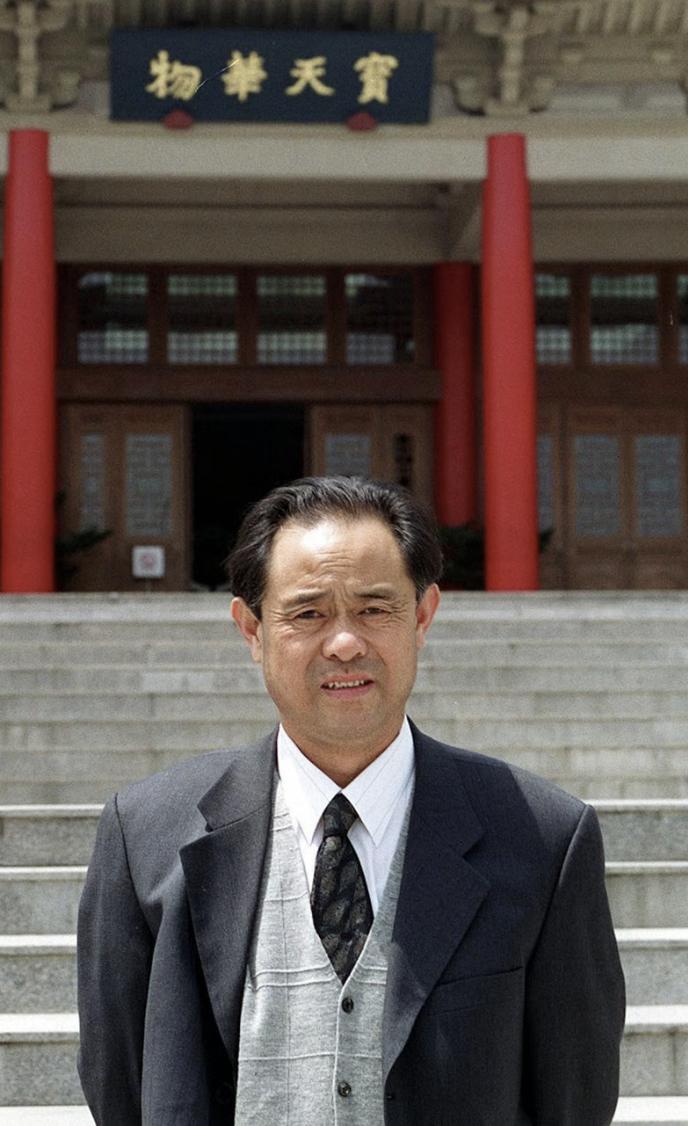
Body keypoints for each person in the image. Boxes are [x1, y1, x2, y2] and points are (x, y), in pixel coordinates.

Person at [77, 476, 625, 1126]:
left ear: (422, 617)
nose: (344, 643)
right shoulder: (146, 836)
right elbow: (120, 1085)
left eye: (374, 610)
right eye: (308, 614)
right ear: (251, 629)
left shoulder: (543, 839)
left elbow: (574, 1097)